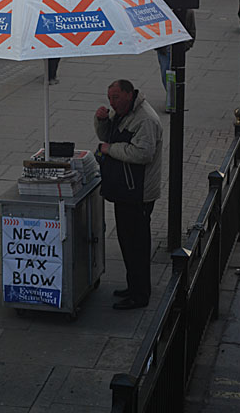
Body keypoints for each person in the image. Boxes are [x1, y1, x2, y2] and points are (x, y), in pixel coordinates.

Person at [94, 80, 163, 310]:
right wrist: (102, 120)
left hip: (138, 192)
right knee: (126, 239)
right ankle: (133, 285)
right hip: (125, 188)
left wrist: (109, 150)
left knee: (137, 244)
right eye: (109, 97)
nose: (111, 102)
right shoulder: (122, 112)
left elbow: (143, 153)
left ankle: (140, 294)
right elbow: (108, 136)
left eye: (115, 97)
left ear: (128, 94)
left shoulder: (145, 118)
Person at [156, 9, 196, 91]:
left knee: (176, 74)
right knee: (165, 74)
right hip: (164, 48)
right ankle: (171, 95)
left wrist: (186, 45)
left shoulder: (188, 12)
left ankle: (173, 97)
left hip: (178, 48)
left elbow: (191, 30)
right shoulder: (160, 9)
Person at [45, 0, 61, 84]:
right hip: (55, 18)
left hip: (45, 18)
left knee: (48, 49)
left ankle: (49, 74)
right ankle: (51, 76)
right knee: (55, 50)